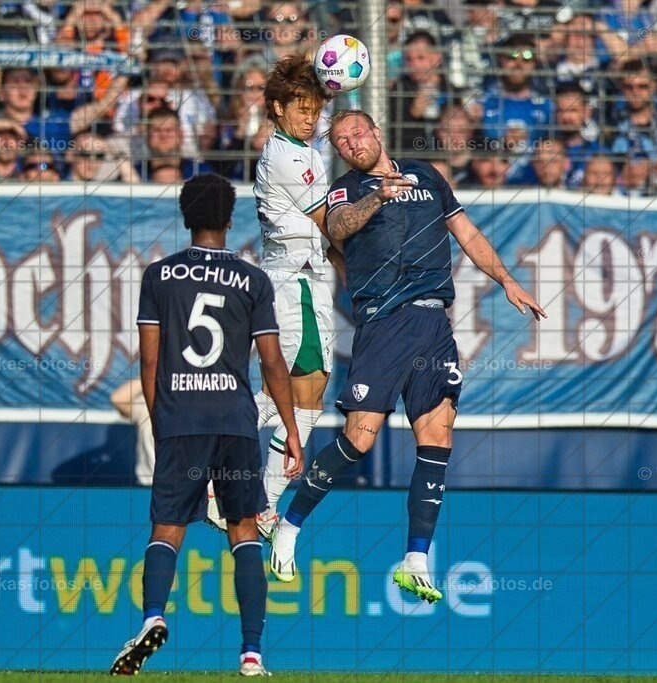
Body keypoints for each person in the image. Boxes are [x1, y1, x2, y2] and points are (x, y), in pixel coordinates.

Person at [268, 110, 546, 604]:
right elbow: (338, 225)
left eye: (357, 133)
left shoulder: (426, 174)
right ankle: (289, 525)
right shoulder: (345, 190)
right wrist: (377, 195)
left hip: (434, 322)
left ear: (378, 131)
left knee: (438, 436)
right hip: (384, 322)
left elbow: (467, 234)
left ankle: (416, 559)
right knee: (358, 439)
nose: (351, 143)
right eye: (341, 140)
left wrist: (505, 279)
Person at [110, 174, 303, 677]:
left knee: (167, 528)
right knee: (243, 531)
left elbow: (149, 365)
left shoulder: (158, 277)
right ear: (228, 219)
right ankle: (252, 654)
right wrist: (291, 428)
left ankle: (153, 617)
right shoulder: (253, 279)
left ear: (185, 217)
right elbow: (272, 363)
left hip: (182, 419)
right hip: (236, 422)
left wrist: (163, 421)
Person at [204, 53, 339, 547]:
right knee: (302, 395)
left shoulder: (304, 150)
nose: (311, 116)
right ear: (278, 108)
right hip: (294, 280)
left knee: (309, 397)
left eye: (316, 108)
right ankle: (246, 492)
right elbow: (330, 222)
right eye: (301, 106)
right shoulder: (286, 155)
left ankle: (255, 500)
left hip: (307, 277)